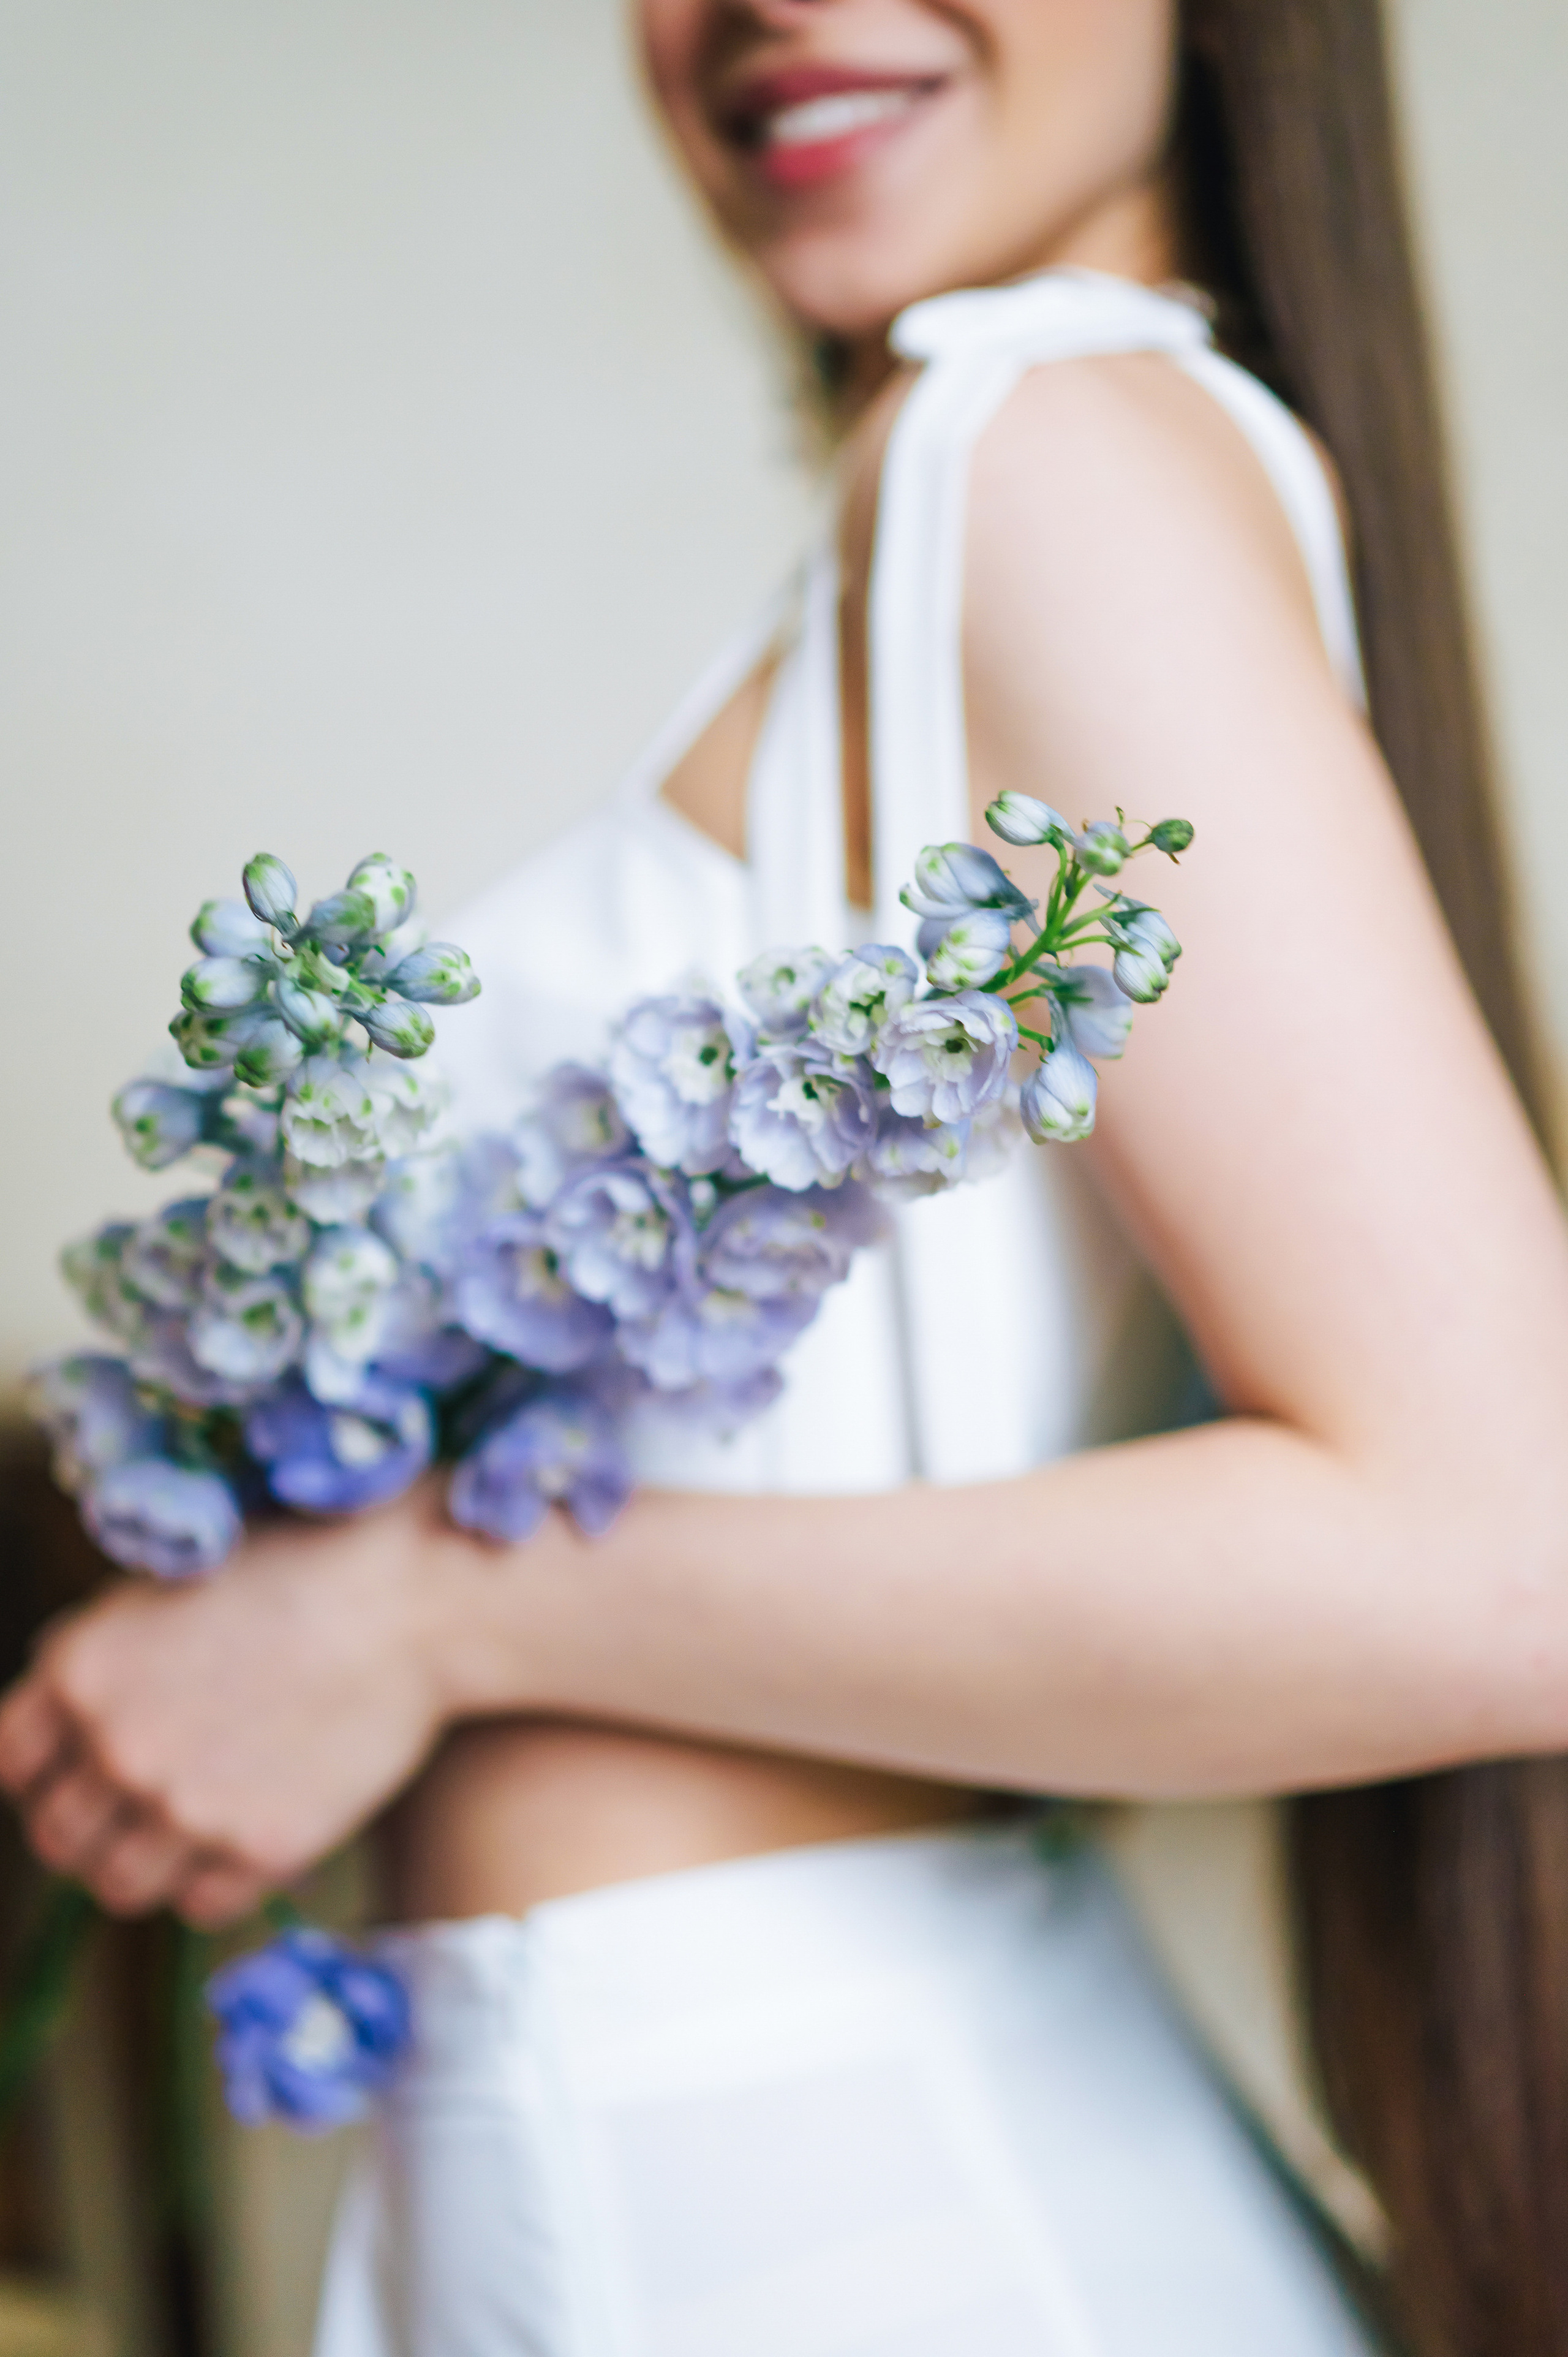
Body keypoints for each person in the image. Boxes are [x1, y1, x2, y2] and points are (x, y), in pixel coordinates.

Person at [4, 1, 1566, 2350]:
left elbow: (1498, 1556)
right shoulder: (1004, 483)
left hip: (812, 2200)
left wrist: (426, 1608)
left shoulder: (1039, 444)